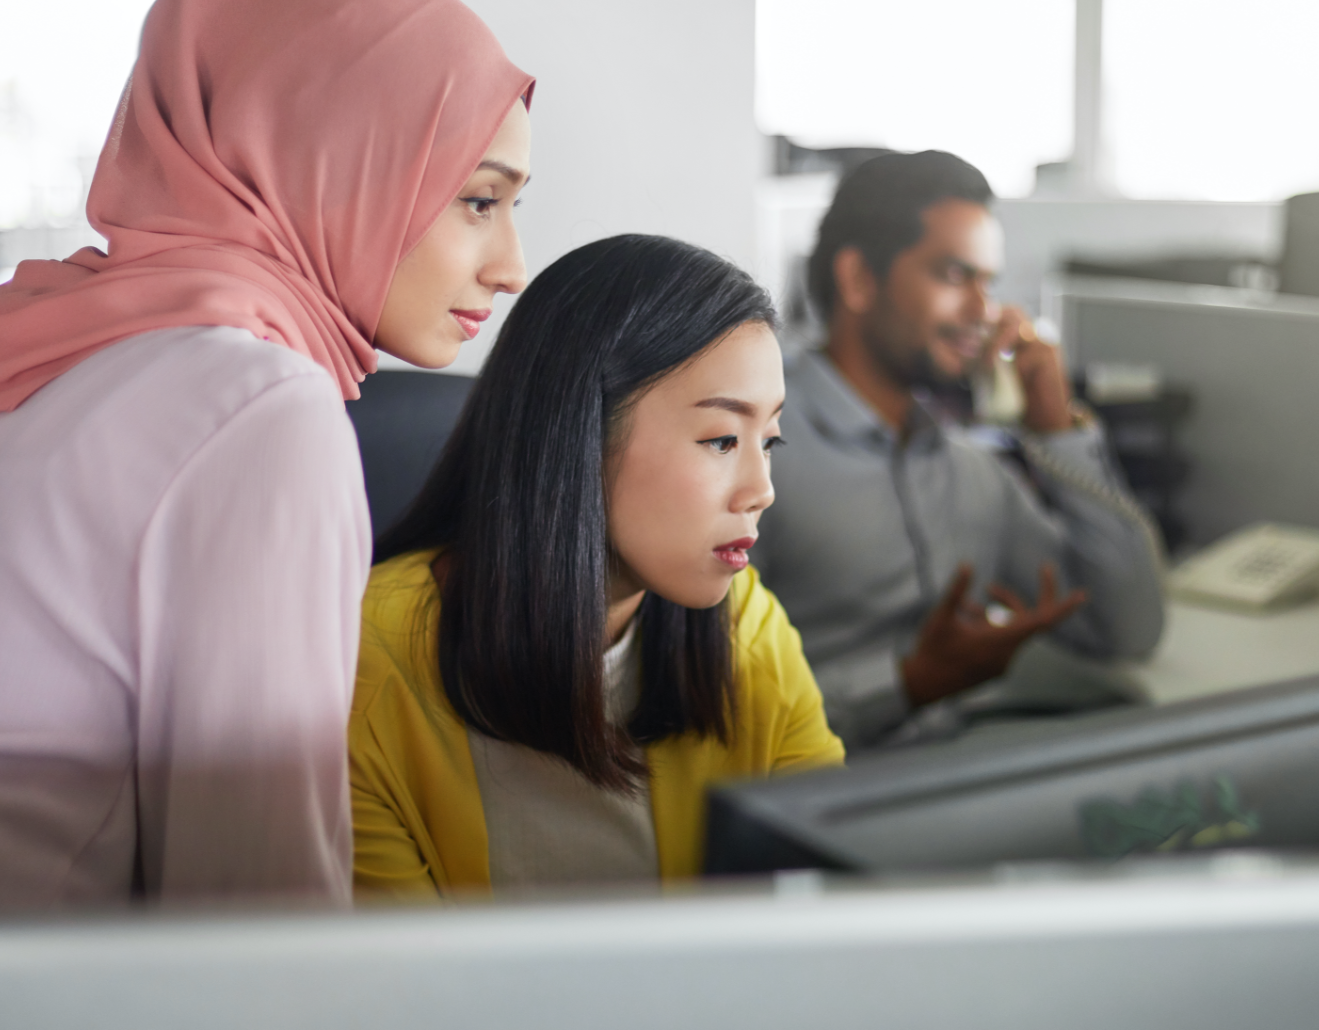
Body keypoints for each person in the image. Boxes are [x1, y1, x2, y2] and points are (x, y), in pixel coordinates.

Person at [0, 0, 533, 910]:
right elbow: (259, 910)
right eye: (479, 201)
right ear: (336, 165)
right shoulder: (259, 409)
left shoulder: (41, 339)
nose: (511, 266)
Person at [350, 235, 844, 898]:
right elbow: (396, 962)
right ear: (579, 433)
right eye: (723, 440)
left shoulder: (748, 629)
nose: (762, 489)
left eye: (770, 441)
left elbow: (825, 903)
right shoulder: (362, 662)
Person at [750, 151, 1164, 749]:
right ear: (859, 279)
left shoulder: (969, 471)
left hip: (957, 776)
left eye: (987, 283)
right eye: (952, 276)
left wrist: (1058, 429)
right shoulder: (756, 455)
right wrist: (908, 684)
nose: (984, 312)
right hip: (812, 792)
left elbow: (1125, 629)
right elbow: (705, 711)